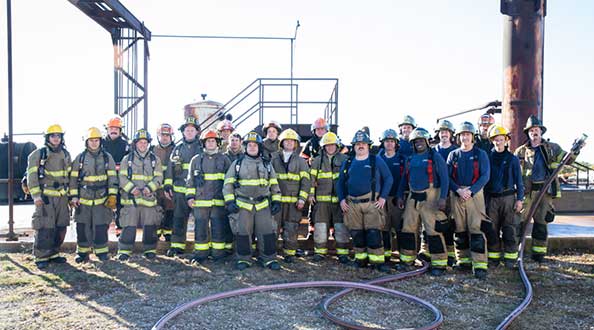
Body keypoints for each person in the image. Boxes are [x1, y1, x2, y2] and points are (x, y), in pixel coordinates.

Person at [514, 115, 578, 262]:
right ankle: (516, 252)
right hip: (527, 193)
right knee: (519, 222)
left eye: (536, 129)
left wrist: (575, 150)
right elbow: (514, 173)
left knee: (541, 223)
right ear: (528, 133)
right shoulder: (520, 152)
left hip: (545, 191)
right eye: (531, 130)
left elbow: (567, 160)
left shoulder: (553, 148)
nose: (534, 132)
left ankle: (538, 254)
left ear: (541, 132)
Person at [223, 131, 282, 270]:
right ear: (245, 147)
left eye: (255, 145)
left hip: (263, 205)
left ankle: (268, 259)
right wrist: (230, 202)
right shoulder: (237, 164)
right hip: (243, 205)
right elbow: (228, 184)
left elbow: (274, 184)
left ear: (259, 147)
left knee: (267, 232)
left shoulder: (267, 165)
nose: (252, 147)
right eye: (249, 145)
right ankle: (244, 259)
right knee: (243, 233)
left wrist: (276, 201)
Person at [337, 130, 393, 272]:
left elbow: (388, 178)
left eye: (363, 144)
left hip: (372, 202)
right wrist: (342, 199)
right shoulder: (348, 162)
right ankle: (360, 260)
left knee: (374, 233)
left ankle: (377, 262)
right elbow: (340, 183)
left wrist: (383, 197)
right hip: (352, 204)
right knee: (357, 234)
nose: (360, 146)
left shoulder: (376, 160)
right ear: (354, 146)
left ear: (368, 146)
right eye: (357, 144)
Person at [396, 128, 450, 276]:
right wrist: (400, 195)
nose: (418, 143)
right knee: (408, 228)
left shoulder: (435, 157)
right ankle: (407, 260)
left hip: (431, 197)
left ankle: (439, 263)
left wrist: (443, 198)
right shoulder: (410, 159)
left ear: (427, 141)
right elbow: (403, 179)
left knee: (433, 230)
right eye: (416, 141)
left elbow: (445, 179)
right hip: (413, 196)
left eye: (421, 140)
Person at [447, 121, 491, 279]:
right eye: (462, 135)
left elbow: (485, 176)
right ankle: (463, 261)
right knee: (459, 229)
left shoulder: (481, 154)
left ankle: (479, 264)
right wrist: (458, 190)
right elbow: (447, 176)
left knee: (476, 229)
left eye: (468, 134)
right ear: (458, 137)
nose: (465, 137)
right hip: (457, 194)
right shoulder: (454, 155)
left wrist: (470, 191)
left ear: (473, 137)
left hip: (475, 194)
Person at [69, 127, 118, 263]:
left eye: (96, 140)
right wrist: (73, 196)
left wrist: (112, 196)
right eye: (91, 140)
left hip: (102, 200)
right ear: (87, 142)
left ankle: (101, 252)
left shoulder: (107, 158)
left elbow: (113, 178)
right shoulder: (80, 158)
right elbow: (73, 179)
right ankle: (82, 253)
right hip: (83, 200)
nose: (94, 143)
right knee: (82, 227)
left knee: (101, 227)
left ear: (100, 141)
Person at [27, 124, 72, 269]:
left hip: (62, 197)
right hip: (46, 197)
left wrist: (71, 196)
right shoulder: (38, 154)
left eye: (58, 136)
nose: (56, 138)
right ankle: (41, 256)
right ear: (47, 137)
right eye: (53, 136)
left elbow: (70, 176)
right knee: (45, 227)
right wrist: (36, 196)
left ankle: (54, 253)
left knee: (60, 226)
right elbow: (32, 176)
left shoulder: (66, 154)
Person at [186, 129, 232, 263]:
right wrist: (190, 197)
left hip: (218, 203)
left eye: (213, 141)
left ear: (217, 143)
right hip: (200, 203)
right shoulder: (196, 160)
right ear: (204, 144)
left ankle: (218, 255)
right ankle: (201, 255)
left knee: (218, 229)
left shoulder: (225, 160)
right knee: (200, 229)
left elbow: (230, 181)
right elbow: (190, 181)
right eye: (208, 141)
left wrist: (228, 199)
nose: (211, 143)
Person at [117, 129, 163, 260]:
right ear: (135, 144)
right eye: (140, 142)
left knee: (150, 227)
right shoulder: (127, 159)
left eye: (145, 142)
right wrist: (132, 189)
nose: (143, 145)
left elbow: (159, 178)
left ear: (148, 144)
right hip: (132, 201)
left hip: (149, 201)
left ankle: (149, 250)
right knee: (128, 226)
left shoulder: (155, 160)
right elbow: (122, 177)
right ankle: (124, 251)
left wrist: (150, 188)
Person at [484, 125, 524, 269]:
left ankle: (510, 258)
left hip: (508, 198)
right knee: (492, 230)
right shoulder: (487, 158)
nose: (499, 142)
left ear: (506, 140)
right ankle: (494, 258)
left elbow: (519, 181)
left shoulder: (512, 159)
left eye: (501, 139)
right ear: (492, 141)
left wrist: (520, 199)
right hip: (492, 199)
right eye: (496, 140)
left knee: (509, 229)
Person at [270, 129, 311, 263]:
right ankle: (271, 254)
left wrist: (302, 199)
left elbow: (306, 182)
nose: (289, 143)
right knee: (273, 227)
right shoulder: (273, 158)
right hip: (276, 201)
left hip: (294, 203)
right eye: (286, 141)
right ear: (281, 143)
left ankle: (289, 254)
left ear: (295, 144)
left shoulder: (301, 161)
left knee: (291, 228)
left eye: (291, 141)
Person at [164, 117, 203, 257]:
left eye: (192, 130)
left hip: (199, 192)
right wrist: (168, 185)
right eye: (187, 130)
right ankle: (177, 246)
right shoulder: (177, 150)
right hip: (180, 191)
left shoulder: (202, 148)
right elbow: (170, 169)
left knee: (200, 220)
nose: (190, 132)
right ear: (183, 132)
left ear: (197, 132)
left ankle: (201, 248)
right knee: (179, 218)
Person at [310, 132, 350, 263]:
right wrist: (311, 194)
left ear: (337, 145)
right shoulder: (317, 161)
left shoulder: (344, 160)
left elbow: (349, 179)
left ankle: (343, 253)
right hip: (321, 201)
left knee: (341, 227)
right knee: (320, 227)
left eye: (332, 145)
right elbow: (311, 179)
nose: (330, 147)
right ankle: (320, 253)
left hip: (340, 202)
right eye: (327, 145)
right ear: (323, 146)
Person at [433, 119, 458, 266]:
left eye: (446, 132)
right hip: (435, 192)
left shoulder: (455, 151)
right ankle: (436, 253)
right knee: (436, 224)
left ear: (451, 134)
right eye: (441, 132)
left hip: (451, 193)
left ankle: (451, 255)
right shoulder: (433, 150)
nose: (444, 134)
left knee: (451, 225)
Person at [378, 129, 406, 263]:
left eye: (391, 141)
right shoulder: (378, 159)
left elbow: (404, 179)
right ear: (383, 143)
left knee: (399, 226)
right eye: (387, 141)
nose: (389, 144)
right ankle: (386, 255)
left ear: (396, 143)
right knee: (384, 226)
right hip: (381, 199)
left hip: (396, 198)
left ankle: (402, 256)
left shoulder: (401, 159)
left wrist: (400, 195)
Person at [102, 116, 130, 233]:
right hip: (103, 182)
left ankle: (121, 236)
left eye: (116, 129)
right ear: (107, 130)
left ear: (120, 131)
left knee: (121, 208)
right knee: (102, 209)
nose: (113, 131)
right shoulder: (100, 144)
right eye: (111, 128)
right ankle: (101, 236)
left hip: (120, 182)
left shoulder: (126, 145)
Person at [153, 123, 175, 241]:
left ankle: (168, 233)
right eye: (162, 135)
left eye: (167, 135)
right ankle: (156, 233)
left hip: (170, 188)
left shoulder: (176, 150)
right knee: (156, 210)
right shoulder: (153, 150)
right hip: (155, 188)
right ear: (158, 136)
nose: (165, 137)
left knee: (170, 210)